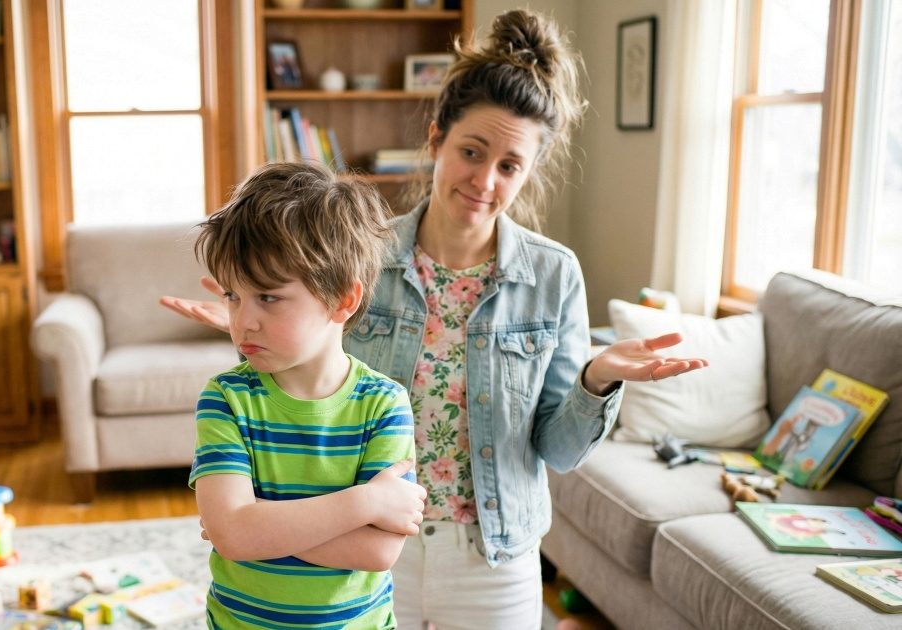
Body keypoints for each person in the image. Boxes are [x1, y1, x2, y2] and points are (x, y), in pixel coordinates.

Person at [165, 9, 708, 630]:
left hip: (493, 553)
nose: (484, 180)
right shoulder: (359, 255)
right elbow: (305, 390)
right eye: (471, 152)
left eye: (510, 165)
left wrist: (596, 382)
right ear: (436, 139)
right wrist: (260, 306)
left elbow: (557, 451)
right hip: (361, 541)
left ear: (529, 171)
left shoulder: (554, 276)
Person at [188, 161, 428, 629]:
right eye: (233, 296)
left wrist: (255, 526)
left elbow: (378, 551)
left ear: (343, 298)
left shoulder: (384, 405)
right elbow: (233, 535)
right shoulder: (225, 399)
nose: (244, 321)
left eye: (268, 297)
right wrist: (364, 504)